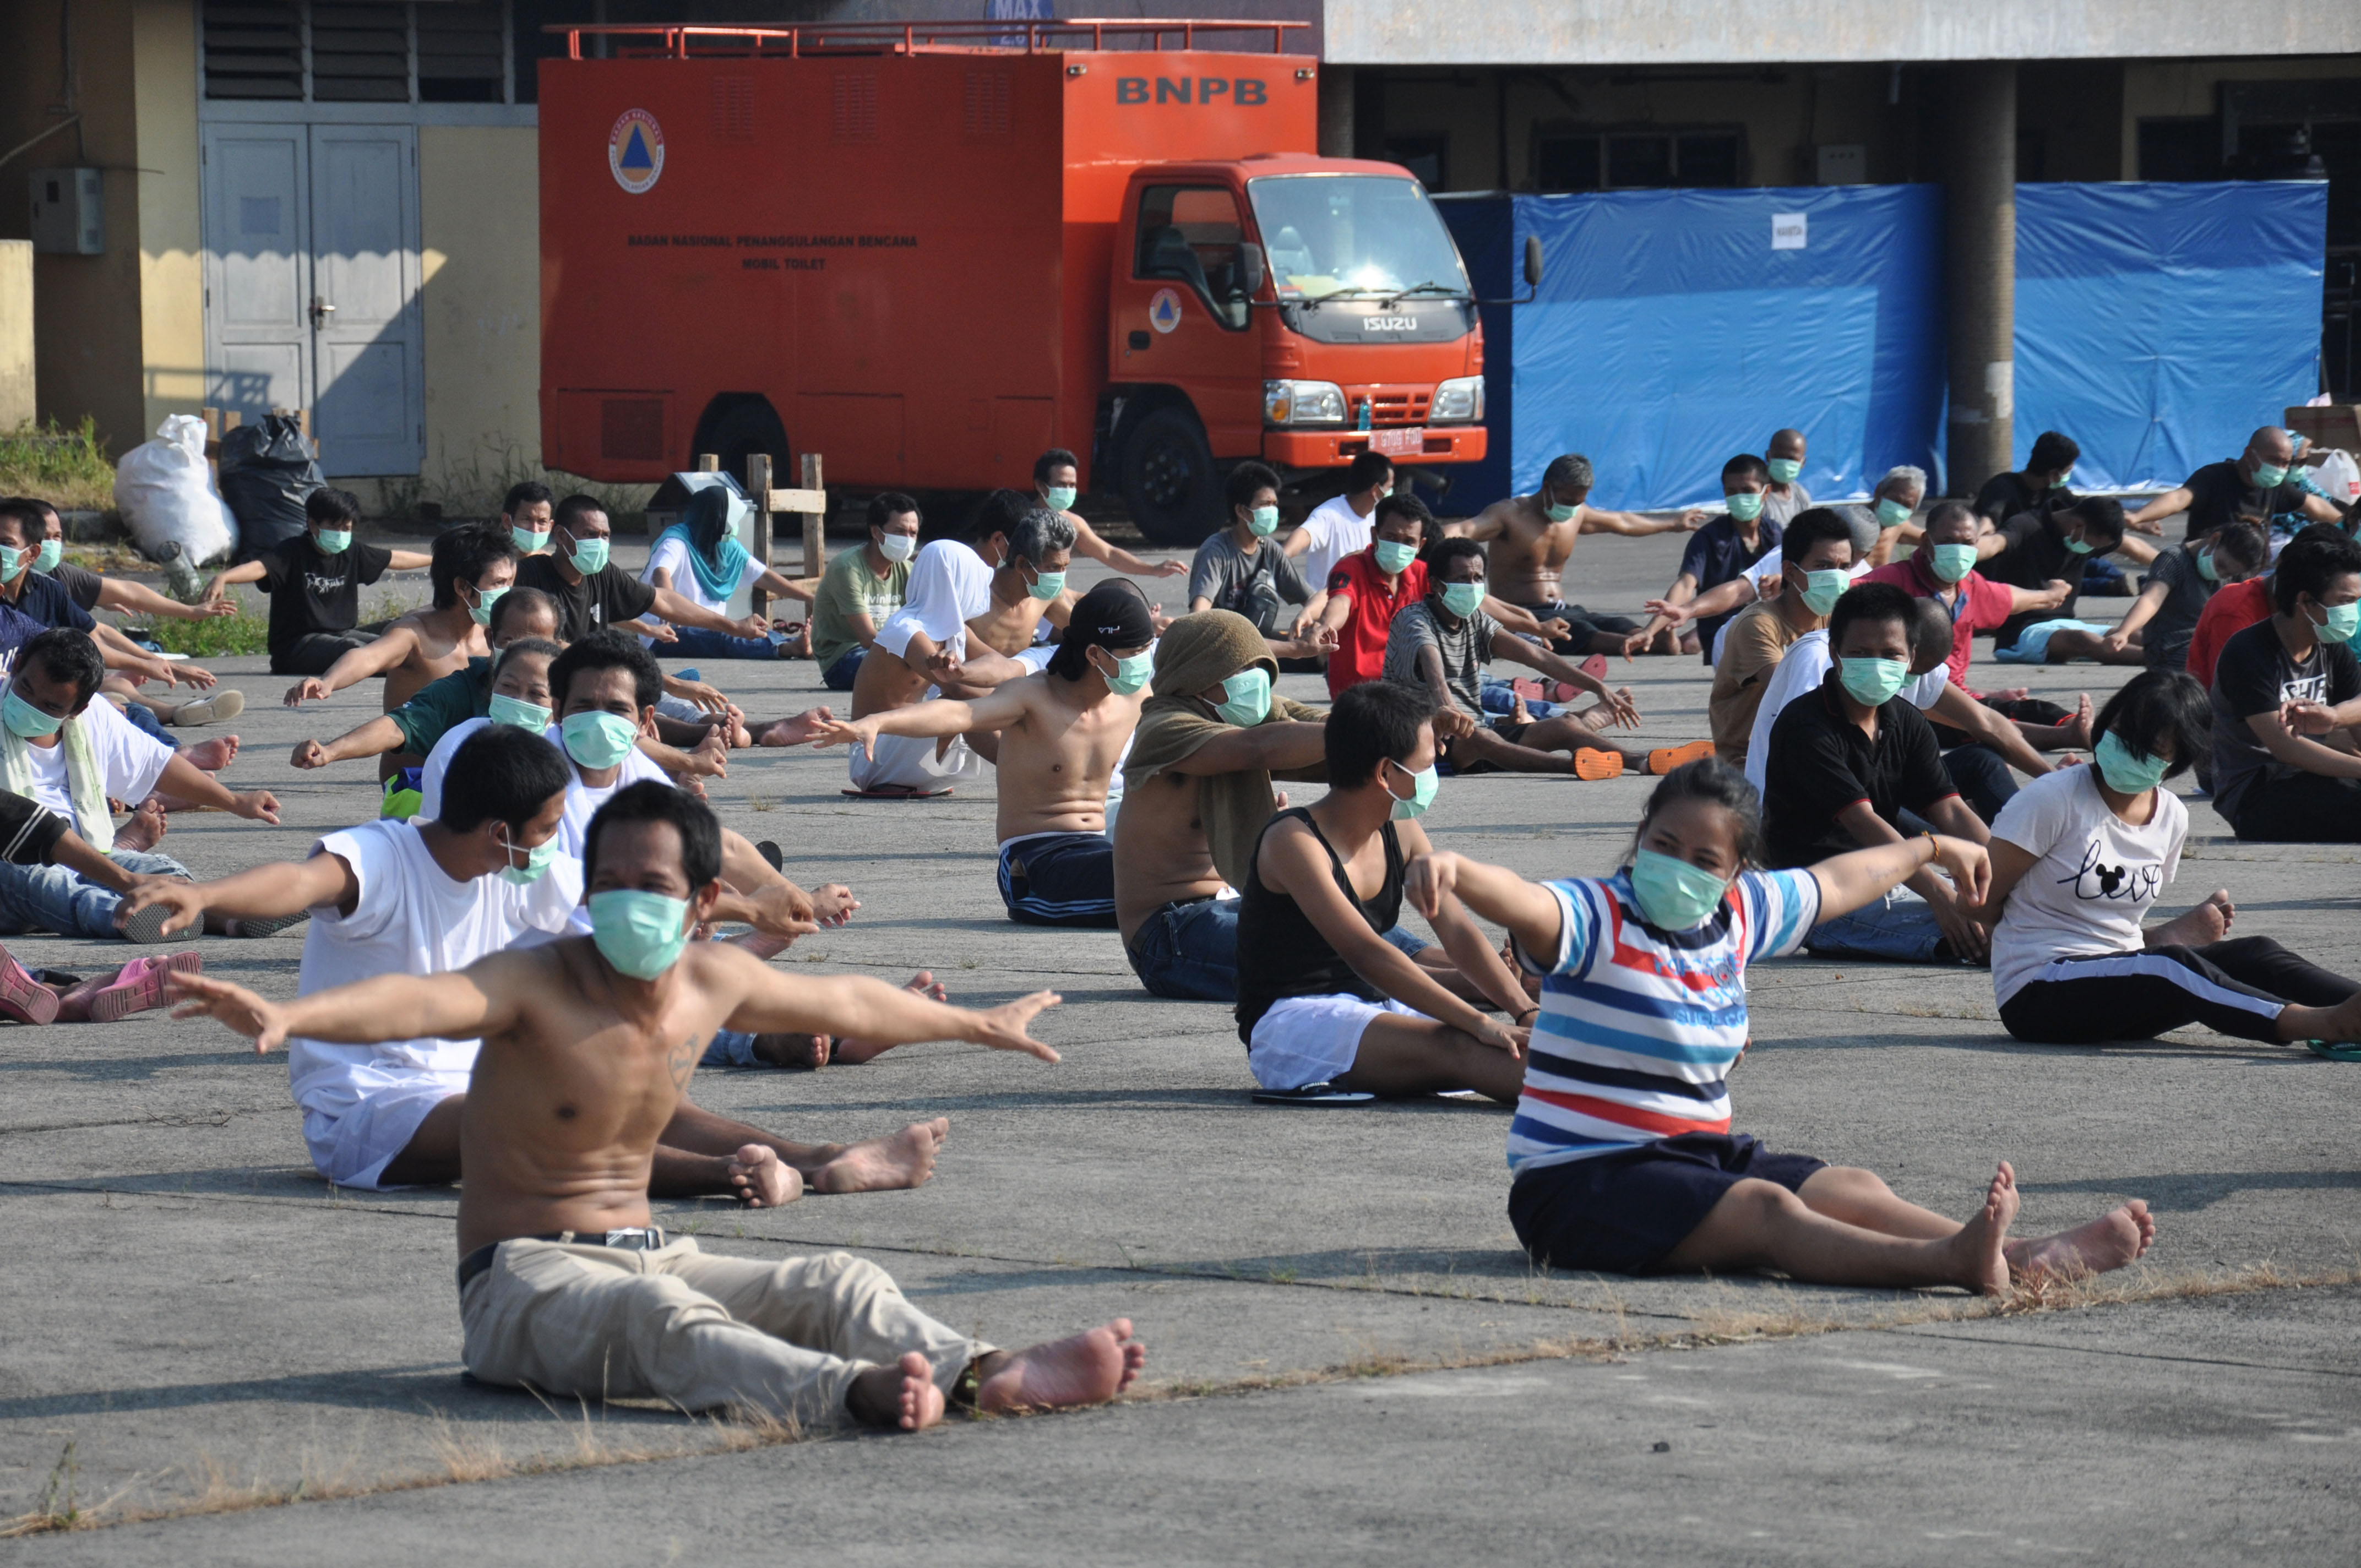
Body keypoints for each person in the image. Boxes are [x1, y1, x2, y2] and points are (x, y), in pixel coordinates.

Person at [168, 783, 1145, 1433]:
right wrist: (292, 1015)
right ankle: (849, 1394)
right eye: (609, 884)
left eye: (652, 886)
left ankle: (986, 1373)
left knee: (836, 1280)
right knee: (664, 1315)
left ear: (704, 899)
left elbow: (851, 1001)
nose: (625, 903)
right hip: (521, 1283)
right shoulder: (536, 979)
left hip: (650, 1251)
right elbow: (421, 1001)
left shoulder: (709, 979)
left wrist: (979, 1023)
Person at [1402, 759, 2156, 1292]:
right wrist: (1459, 872)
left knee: (1847, 1185)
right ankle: (1952, 1262)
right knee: (1767, 1211)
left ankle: (2022, 1254)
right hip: (1579, 1186)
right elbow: (1525, 898)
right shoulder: (1597, 915)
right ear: (1640, 836)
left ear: (1736, 871)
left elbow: (1838, 880)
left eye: (1705, 858)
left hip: (1695, 1157)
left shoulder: (1739, 913)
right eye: (1664, 846)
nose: (1679, 866)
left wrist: (1931, 847)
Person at [1973, 669, 2361, 1053]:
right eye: (2122, 736)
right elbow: (1981, 903)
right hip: (2038, 989)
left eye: (2150, 749)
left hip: (2125, 973)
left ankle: (2354, 1004)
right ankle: (2324, 1024)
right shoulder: (2051, 799)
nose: (2128, 752)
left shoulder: (2172, 815)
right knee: (2171, 964)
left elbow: (2113, 921)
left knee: (2254, 954)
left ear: (2178, 760)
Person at [1234, 680, 1538, 1102]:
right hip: (1294, 1021)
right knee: (1466, 1046)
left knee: (1543, 1043)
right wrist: (1480, 1023)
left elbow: (1457, 930)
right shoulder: (1293, 841)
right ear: (1384, 773)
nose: (1434, 769)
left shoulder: (1402, 829)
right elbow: (1366, 953)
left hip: (1374, 1005)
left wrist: (1525, 1010)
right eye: (1427, 762)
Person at [815, 581, 1154, 927]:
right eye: (1136, 651)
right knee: (1151, 884)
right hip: (1034, 863)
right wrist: (875, 723)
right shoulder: (1034, 697)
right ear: (1095, 655)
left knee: (1171, 867)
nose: (1145, 660)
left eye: (1148, 648)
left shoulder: (1137, 699)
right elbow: (960, 714)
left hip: (1097, 851)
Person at [1760, 584, 1994, 963]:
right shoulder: (1806, 726)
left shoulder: (1907, 721)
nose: (1876, 664)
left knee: (2025, 915)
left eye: (1890, 654)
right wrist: (1940, 895)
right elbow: (1862, 821)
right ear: (1835, 654)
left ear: (1911, 658)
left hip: (1890, 874)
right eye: (1860, 653)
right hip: (1821, 896)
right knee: (1992, 937)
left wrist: (2001, 873)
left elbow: (1951, 810)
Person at [0, 629, 281, 940]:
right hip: (15, 862)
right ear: (17, 665)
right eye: (26, 688)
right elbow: (27, 826)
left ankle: (227, 917)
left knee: (163, 873)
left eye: (50, 706)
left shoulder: (92, 717)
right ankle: (127, 917)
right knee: (35, 878)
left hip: (89, 856)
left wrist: (235, 802)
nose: (31, 705)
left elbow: (156, 764)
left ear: (78, 710)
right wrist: (126, 881)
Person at [1115, 611, 1332, 1001]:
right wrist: (1367, 731)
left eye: (1258, 667)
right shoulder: (1164, 726)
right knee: (1344, 956)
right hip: (1168, 933)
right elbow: (1258, 748)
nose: (1255, 680)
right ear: (1196, 676)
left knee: (1372, 937)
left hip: (1238, 906)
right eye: (1240, 669)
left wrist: (1413, 722)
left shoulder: (1240, 711)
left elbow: (1326, 725)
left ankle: (1457, 979)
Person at [1383, 538, 1682, 781]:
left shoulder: (1475, 619)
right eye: (1462, 579)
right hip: (1423, 741)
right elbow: (1434, 670)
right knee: (1483, 739)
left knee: (1564, 725)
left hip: (1474, 731)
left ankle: (1640, 761)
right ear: (1437, 585)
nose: (1472, 586)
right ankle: (1577, 766)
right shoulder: (1415, 620)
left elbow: (1536, 655)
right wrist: (1448, 709)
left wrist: (1597, 687)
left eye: (1477, 578)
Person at [1750, 592, 2059, 823]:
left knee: (1982, 762)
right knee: (1937, 841)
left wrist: (2056, 783)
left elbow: (1987, 722)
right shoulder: (1817, 666)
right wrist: (1939, 855)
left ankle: (2028, 840)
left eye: (1913, 671)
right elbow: (1828, 784)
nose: (1904, 680)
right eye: (1868, 654)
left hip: (1876, 796)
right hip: (1815, 807)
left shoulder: (1908, 695)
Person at [280, 525, 520, 775]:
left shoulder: (499, 633)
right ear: (462, 586)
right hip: (413, 784)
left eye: (511, 583)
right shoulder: (414, 633)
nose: (508, 593)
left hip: (474, 779)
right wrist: (328, 682)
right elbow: (368, 656)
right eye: (499, 583)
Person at [1862, 500, 2087, 762]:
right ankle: (2068, 736)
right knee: (1978, 724)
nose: (1958, 550)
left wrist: (2051, 595)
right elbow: (1845, 598)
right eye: (1948, 541)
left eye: (1967, 543)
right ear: (1926, 543)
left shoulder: (1970, 586)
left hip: (1957, 695)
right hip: (1911, 700)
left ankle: (2082, 729)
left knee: (2038, 709)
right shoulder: (1892, 581)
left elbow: (2012, 598)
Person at [843, 493, 1032, 796]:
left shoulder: (953, 629)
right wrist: (1014, 705)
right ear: (956, 583)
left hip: (906, 749)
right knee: (962, 704)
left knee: (987, 704)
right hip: (873, 756)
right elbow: (957, 687)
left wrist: (1031, 689)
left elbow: (1000, 664)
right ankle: (1030, 775)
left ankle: (1029, 768)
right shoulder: (907, 630)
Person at [1443, 454, 1700, 657]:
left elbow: (1623, 522)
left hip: (1564, 609)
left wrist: (1673, 523)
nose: (1571, 508)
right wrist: (1429, 538)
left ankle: (1647, 637)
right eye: (1567, 501)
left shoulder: (1577, 515)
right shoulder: (1509, 515)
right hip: (1522, 613)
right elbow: (1464, 530)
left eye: (1578, 502)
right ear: (1547, 487)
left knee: (1613, 622)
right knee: (1579, 631)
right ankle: (1646, 645)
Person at [292, 589, 563, 773]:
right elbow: (397, 727)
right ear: (491, 638)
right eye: (512, 642)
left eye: (536, 694)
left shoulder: (573, 688)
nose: (523, 654)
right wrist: (331, 751)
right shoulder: (460, 690)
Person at [2205, 529, 2361, 841]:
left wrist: (2336, 716)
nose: (2352, 612)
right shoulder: (2248, 652)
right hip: (2258, 793)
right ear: (2304, 601)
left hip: (2316, 775)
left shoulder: (2332, 647)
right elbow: (2285, 748)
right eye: (2345, 602)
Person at [203, 487, 433, 675]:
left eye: (346, 528)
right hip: (297, 647)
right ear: (313, 525)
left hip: (340, 634)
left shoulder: (351, 552)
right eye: (334, 527)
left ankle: (428, 662)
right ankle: (417, 669)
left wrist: (435, 559)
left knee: (398, 630)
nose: (340, 534)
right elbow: (260, 567)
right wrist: (224, 577)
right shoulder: (292, 552)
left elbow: (394, 558)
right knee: (357, 650)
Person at [1706, 507, 1856, 767]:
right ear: (1789, 571)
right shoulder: (1758, 625)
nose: (1835, 577)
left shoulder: (1835, 615)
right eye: (1823, 567)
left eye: (1844, 568)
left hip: (1816, 747)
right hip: (1754, 762)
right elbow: (1793, 695)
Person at [514, 493, 765, 648]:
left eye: (605, 536)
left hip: (592, 679)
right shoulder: (528, 577)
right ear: (561, 535)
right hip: (548, 691)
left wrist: (733, 626)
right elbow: (544, 647)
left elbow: (665, 602)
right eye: (590, 534)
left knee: (688, 708)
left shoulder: (602, 574)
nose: (599, 544)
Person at [1626, 454, 1783, 663]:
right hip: (1725, 636)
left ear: (1766, 492)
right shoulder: (1709, 538)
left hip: (1771, 627)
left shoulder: (1775, 534)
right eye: (1732, 492)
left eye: (1747, 491)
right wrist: (1650, 630)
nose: (1739, 498)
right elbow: (1685, 585)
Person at [641, 486, 815, 659]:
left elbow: (764, 576)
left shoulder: (725, 546)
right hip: (665, 633)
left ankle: (796, 644)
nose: (734, 528)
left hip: (710, 626)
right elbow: (661, 572)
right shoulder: (675, 542)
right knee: (726, 638)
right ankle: (788, 649)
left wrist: (809, 598)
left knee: (752, 631)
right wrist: (671, 611)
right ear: (715, 520)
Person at [1188, 461, 1329, 658]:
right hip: (1220, 653)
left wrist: (1307, 615)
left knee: (1325, 652)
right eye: (1265, 505)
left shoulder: (1269, 549)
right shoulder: (1216, 552)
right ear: (1242, 511)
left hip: (1258, 648)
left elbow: (1318, 598)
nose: (1272, 511)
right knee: (1297, 650)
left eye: (1274, 504)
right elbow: (1199, 618)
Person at [2090, 521, 2268, 673]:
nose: (2220, 574)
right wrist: (2124, 632)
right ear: (2215, 539)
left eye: (2228, 574)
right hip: (2170, 649)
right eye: (2221, 565)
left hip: (2210, 643)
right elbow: (2152, 600)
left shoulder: (2235, 572)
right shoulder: (2175, 559)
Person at [2185, 520, 2344, 689]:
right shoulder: (2235, 612)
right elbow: (2238, 691)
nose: (2342, 610)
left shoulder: (2325, 622)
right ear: (2283, 563)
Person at [1978, 496, 2130, 663]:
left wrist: (2155, 567)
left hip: (2067, 624)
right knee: (2081, 640)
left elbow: (2129, 545)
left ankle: (2152, 651)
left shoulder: (2086, 533)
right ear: (2079, 526)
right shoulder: (2027, 526)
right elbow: (1995, 543)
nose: (2090, 550)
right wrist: (1966, 551)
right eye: (2090, 545)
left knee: (2123, 635)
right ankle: (2151, 658)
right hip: (2022, 632)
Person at [2129, 426, 2344, 543]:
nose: (2279, 469)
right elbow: (2178, 498)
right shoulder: (2214, 477)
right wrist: (2138, 517)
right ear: (2249, 454)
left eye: (2285, 463)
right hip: (2207, 560)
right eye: (2273, 461)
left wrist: (2347, 527)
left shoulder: (2274, 486)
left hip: (2250, 565)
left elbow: (2314, 505)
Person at [811, 493, 917, 692]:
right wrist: (921, 655)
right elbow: (868, 638)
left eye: (913, 533)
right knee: (917, 668)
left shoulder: (908, 570)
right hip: (846, 658)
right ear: (876, 532)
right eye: (900, 532)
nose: (908, 540)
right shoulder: (847, 568)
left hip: (890, 651)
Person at [1034, 448, 1184, 580]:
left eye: (1072, 485)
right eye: (1061, 485)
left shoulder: (1073, 523)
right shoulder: (1024, 519)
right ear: (1040, 485)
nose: (1067, 491)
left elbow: (1109, 554)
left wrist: (1154, 569)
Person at [1285, 450, 1393, 592]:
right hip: (1327, 603)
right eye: (1389, 488)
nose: (1391, 492)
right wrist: (1280, 557)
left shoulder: (1376, 517)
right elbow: (1303, 536)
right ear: (1376, 490)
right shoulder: (1329, 515)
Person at [1761, 427, 1813, 527]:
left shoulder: (1801, 496)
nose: (1785, 463)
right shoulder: (1757, 498)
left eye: (1791, 459)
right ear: (1768, 456)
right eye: (1779, 457)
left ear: (1803, 463)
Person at [500, 481, 554, 554]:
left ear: (550, 527)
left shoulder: (550, 561)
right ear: (507, 522)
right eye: (527, 520)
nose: (535, 530)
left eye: (542, 522)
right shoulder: (488, 560)